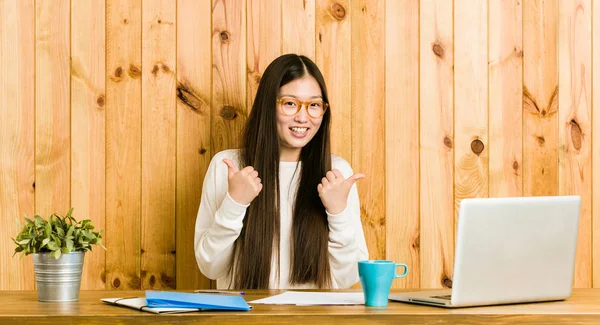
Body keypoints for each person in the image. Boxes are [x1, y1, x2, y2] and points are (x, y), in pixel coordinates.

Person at [194, 54, 369, 289]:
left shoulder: (336, 173)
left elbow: (348, 277)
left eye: (314, 105)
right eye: (289, 103)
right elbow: (210, 266)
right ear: (269, 105)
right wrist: (234, 204)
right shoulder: (228, 167)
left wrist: (338, 213)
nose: (303, 117)